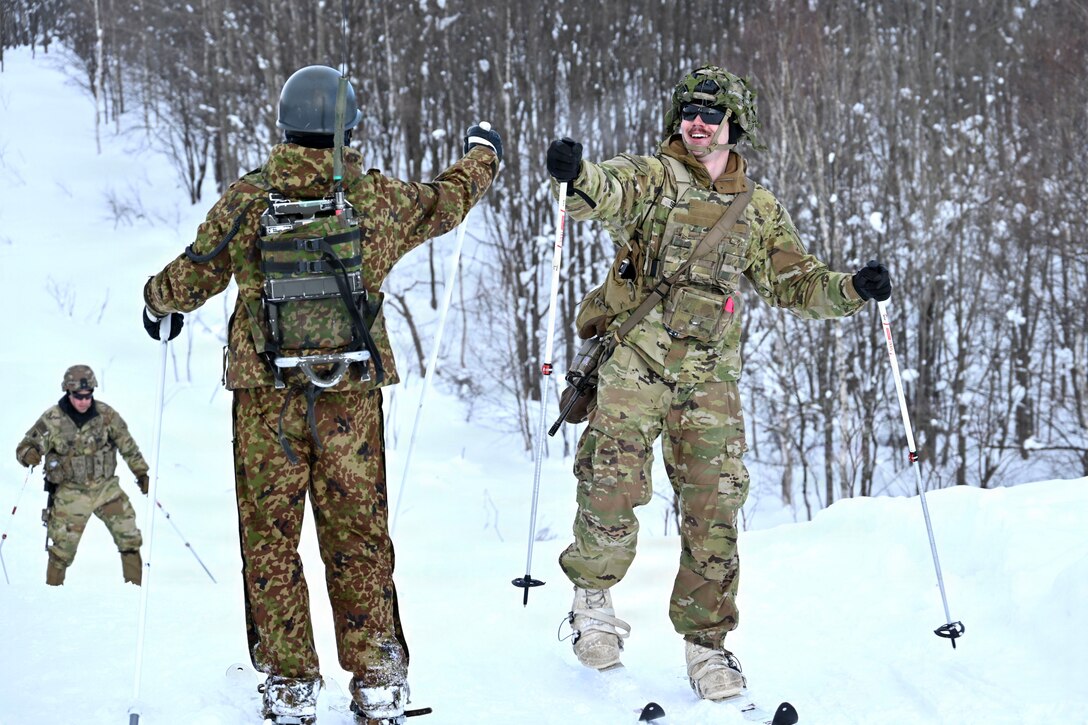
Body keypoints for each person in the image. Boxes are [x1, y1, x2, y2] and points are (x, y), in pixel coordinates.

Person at [141, 64, 501, 725]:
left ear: (283, 127)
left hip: (266, 397)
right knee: (359, 535)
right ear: (351, 129)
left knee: (271, 540)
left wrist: (155, 302)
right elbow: (447, 201)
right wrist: (485, 152)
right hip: (351, 397)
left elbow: (189, 277)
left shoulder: (247, 201)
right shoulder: (379, 201)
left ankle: (291, 683)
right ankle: (378, 681)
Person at [545, 66, 891, 700]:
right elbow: (607, 191)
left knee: (715, 509)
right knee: (610, 487)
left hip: (709, 380)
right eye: (689, 112)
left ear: (736, 126)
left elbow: (795, 281)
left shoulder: (757, 209)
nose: (697, 123)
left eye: (711, 114)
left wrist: (851, 291)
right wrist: (578, 175)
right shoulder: (653, 177)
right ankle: (592, 604)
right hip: (636, 364)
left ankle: (707, 648)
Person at [15, 364, 150, 586]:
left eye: (89, 396)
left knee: (129, 535)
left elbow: (128, 446)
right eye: (79, 396)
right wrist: (28, 454)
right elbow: (25, 446)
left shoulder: (106, 415)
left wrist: (142, 473)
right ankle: (52, 593)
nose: (84, 401)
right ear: (68, 392)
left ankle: (135, 591)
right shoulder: (53, 419)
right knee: (61, 549)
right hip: (71, 492)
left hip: (105, 488)